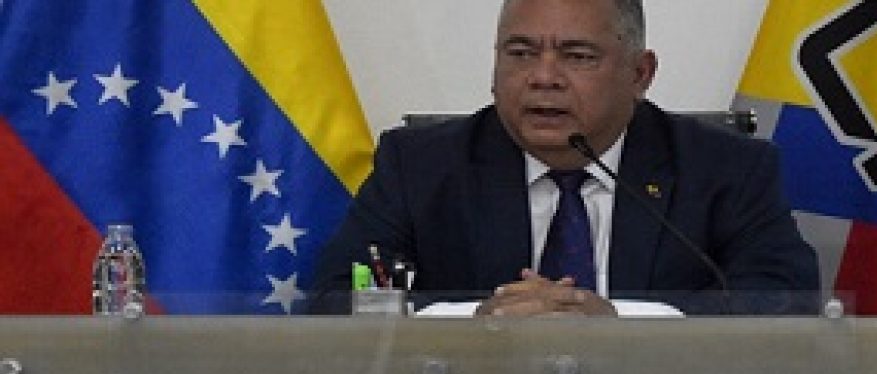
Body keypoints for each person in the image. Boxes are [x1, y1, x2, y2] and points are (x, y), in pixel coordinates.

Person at [309, 0, 819, 316]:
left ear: (640, 74)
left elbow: (782, 305)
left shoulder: (728, 170)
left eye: (577, 56)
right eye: (520, 53)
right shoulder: (419, 166)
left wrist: (620, 326)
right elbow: (336, 301)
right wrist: (475, 328)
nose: (543, 76)